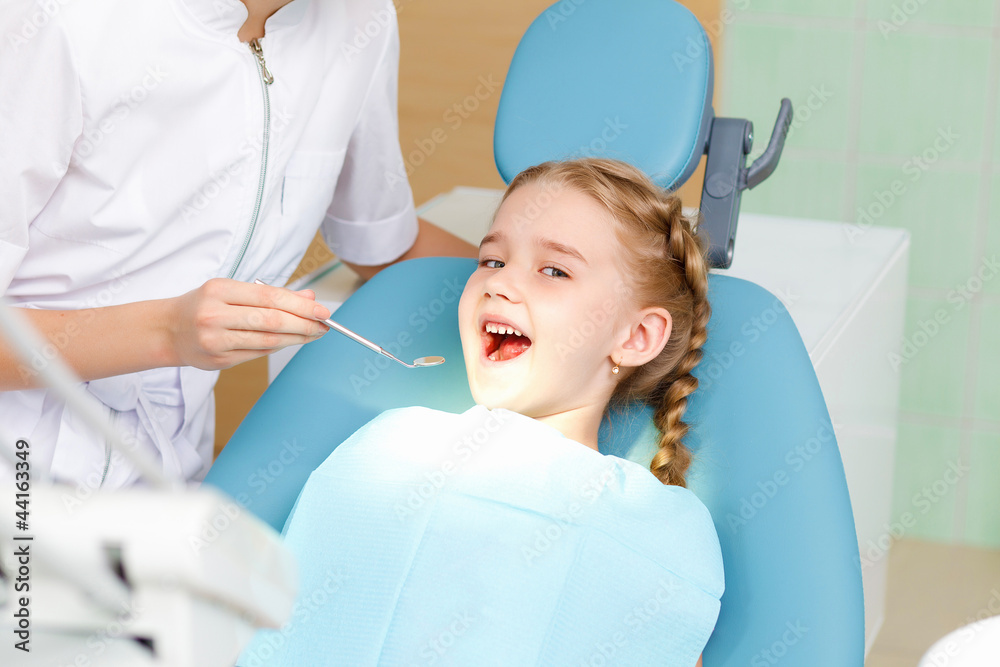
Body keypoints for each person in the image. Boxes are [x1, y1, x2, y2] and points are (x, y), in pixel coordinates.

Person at [238, 158, 721, 666]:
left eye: (554, 270)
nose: (500, 283)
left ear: (636, 336)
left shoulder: (656, 530)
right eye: (492, 261)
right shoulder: (392, 447)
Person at [0, 0, 477, 488]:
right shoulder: (55, 19)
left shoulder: (360, 19)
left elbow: (382, 242)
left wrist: (533, 277)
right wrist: (167, 332)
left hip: (173, 474)